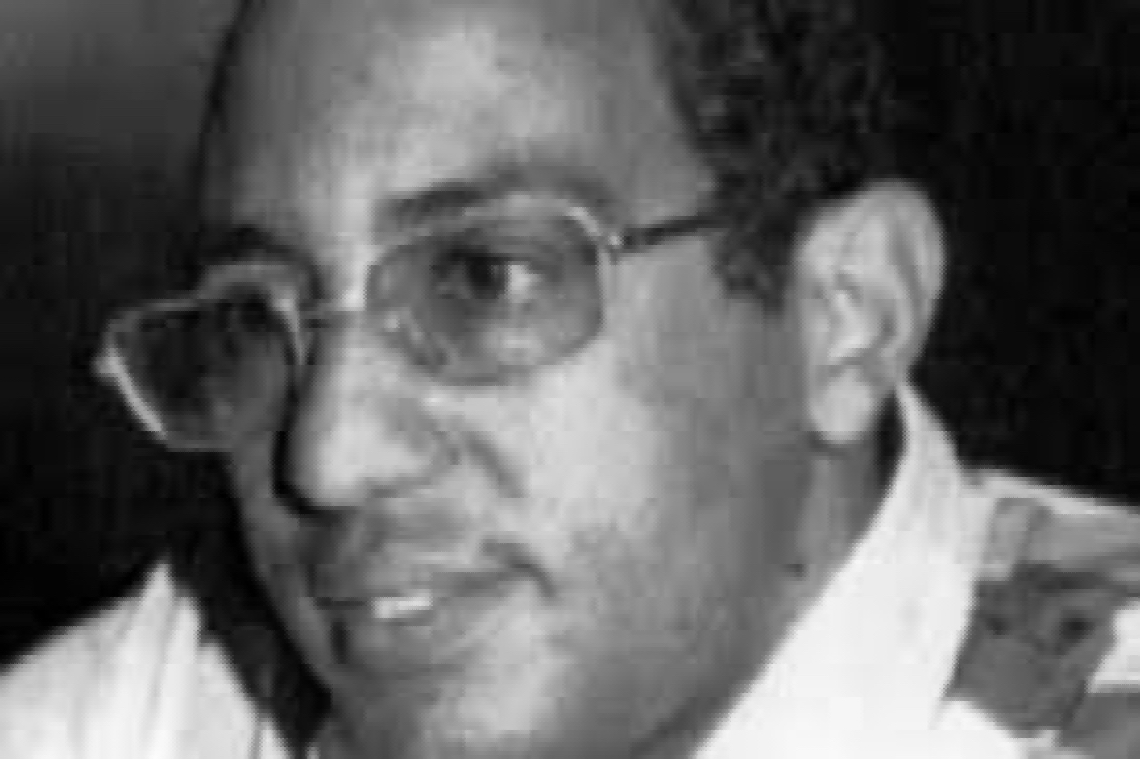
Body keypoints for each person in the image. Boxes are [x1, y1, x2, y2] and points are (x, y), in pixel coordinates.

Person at [3, 0, 1140, 756]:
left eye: (483, 278)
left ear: (850, 315)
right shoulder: (170, 705)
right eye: (259, 319)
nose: (329, 457)